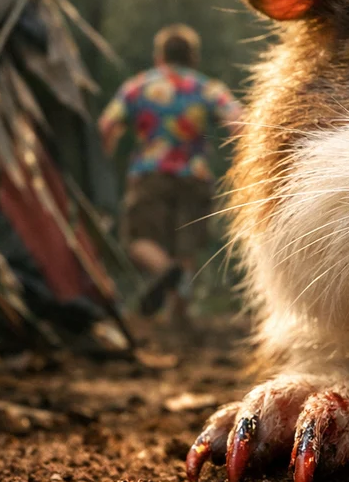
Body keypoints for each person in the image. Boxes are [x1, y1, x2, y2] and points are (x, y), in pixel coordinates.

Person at [98, 24, 242, 326]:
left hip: (149, 173)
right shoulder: (205, 88)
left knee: (139, 239)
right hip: (194, 176)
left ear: (159, 55)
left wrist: (106, 156)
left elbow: (107, 126)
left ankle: (165, 273)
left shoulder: (139, 87)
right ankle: (180, 316)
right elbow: (238, 123)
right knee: (184, 247)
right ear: (193, 57)